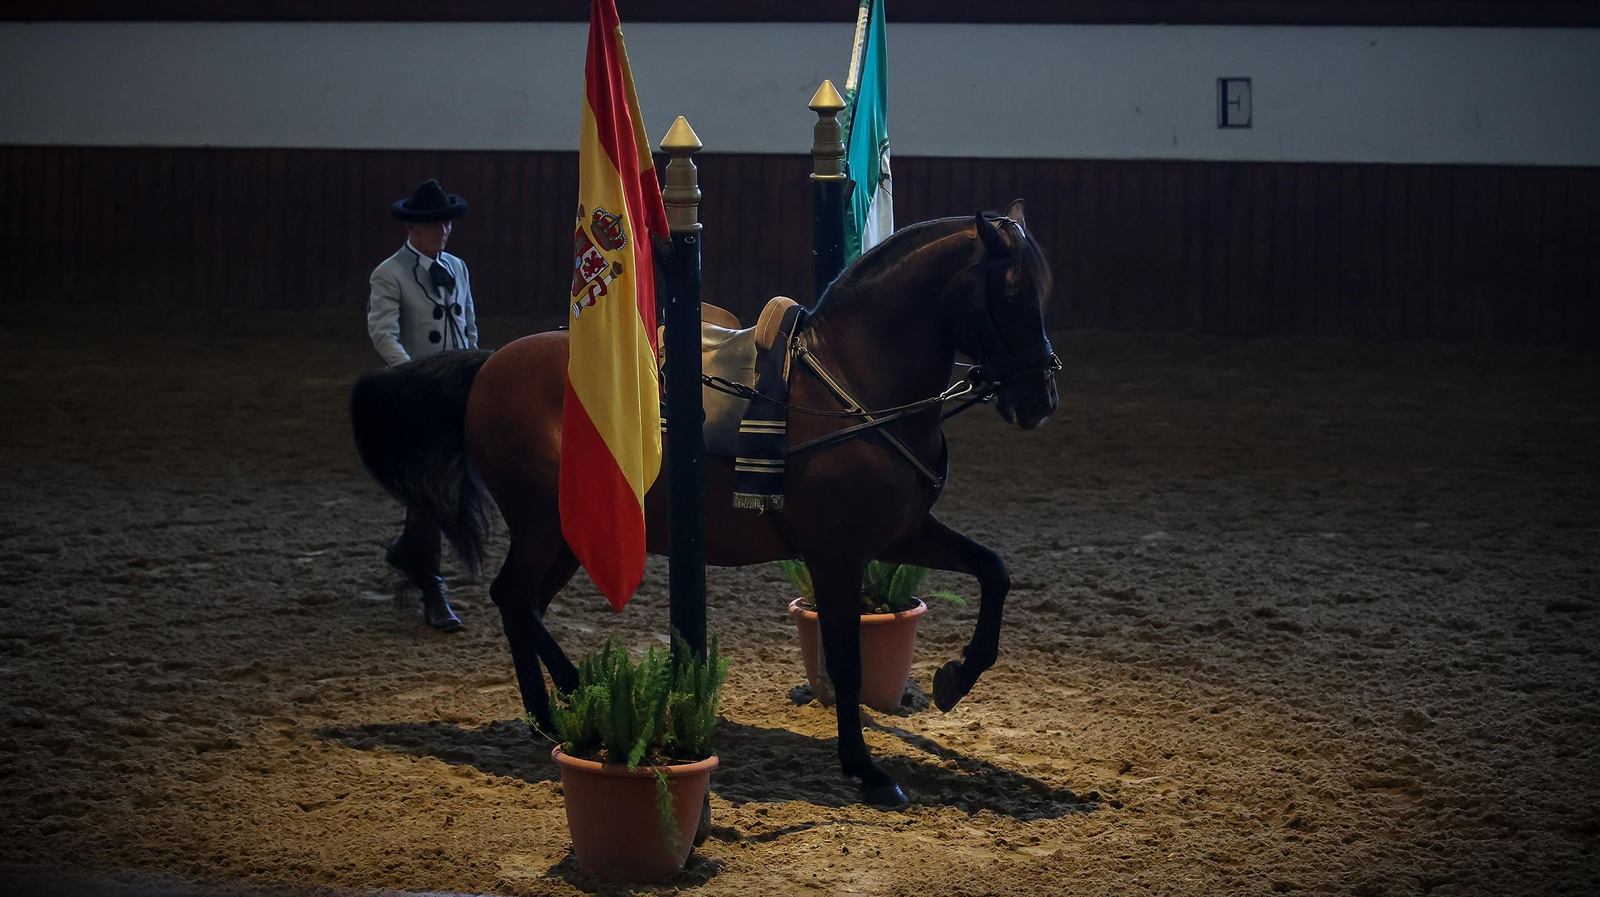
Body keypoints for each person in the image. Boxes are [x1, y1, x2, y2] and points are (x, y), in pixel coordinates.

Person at [365, 179, 479, 632]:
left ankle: (407, 552)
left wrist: (474, 371)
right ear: (413, 227)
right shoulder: (389, 273)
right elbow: (382, 332)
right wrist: (410, 373)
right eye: (434, 224)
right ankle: (431, 584)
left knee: (445, 486)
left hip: (454, 388)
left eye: (447, 222)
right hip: (418, 391)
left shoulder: (458, 266)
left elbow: (469, 324)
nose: (444, 231)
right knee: (429, 489)